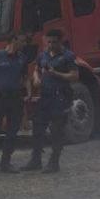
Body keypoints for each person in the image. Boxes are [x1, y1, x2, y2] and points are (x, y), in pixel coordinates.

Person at [22, 29, 79, 173]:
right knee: (38, 127)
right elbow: (36, 69)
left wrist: (56, 73)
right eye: (49, 42)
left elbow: (74, 76)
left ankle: (54, 162)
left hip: (60, 96)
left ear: (60, 41)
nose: (51, 45)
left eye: (54, 42)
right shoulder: (43, 55)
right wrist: (36, 78)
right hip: (45, 96)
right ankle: (35, 160)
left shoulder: (68, 56)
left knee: (56, 130)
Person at [0, 32, 31, 176]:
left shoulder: (22, 58)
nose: (24, 44)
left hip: (15, 98)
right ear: (14, 40)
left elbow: (25, 77)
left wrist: (28, 92)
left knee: (12, 131)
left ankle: (6, 162)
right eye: (22, 41)